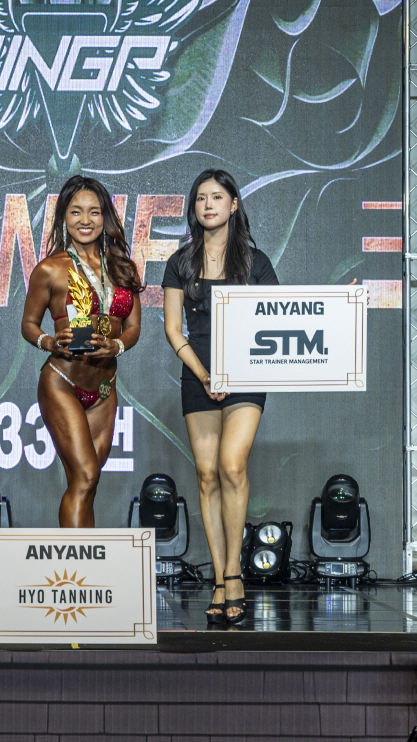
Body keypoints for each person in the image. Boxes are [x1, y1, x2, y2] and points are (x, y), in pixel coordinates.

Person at [162, 169, 278, 625]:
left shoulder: (255, 262)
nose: (208, 204)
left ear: (233, 205)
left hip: (246, 374)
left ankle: (234, 573)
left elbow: (282, 316)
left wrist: (333, 309)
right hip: (199, 375)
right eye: (200, 198)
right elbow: (174, 330)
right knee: (207, 476)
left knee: (231, 465)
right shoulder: (180, 262)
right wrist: (205, 375)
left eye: (216, 197)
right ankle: (218, 577)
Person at [20, 176, 144, 528]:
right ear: (64, 216)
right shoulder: (50, 269)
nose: (85, 220)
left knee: (88, 482)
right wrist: (48, 341)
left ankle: (85, 558)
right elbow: (28, 324)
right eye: (76, 212)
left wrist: (117, 345)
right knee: (86, 475)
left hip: (104, 388)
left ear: (105, 217)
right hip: (63, 382)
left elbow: (133, 327)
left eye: (93, 212)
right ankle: (76, 557)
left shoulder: (122, 267)